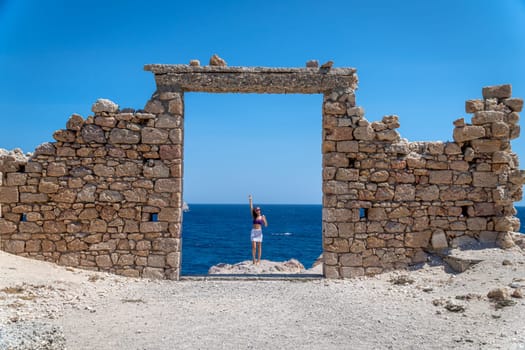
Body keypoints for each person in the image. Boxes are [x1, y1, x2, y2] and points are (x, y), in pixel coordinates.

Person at [248, 194, 268, 265]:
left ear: (260, 210)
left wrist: (264, 219)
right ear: (255, 211)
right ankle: (253, 259)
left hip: (259, 232)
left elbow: (266, 225)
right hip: (254, 232)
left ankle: (258, 260)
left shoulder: (262, 217)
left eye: (259, 209)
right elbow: (251, 207)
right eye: (257, 210)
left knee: (259, 247)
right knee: (254, 247)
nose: (258, 210)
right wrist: (250, 200)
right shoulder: (254, 216)